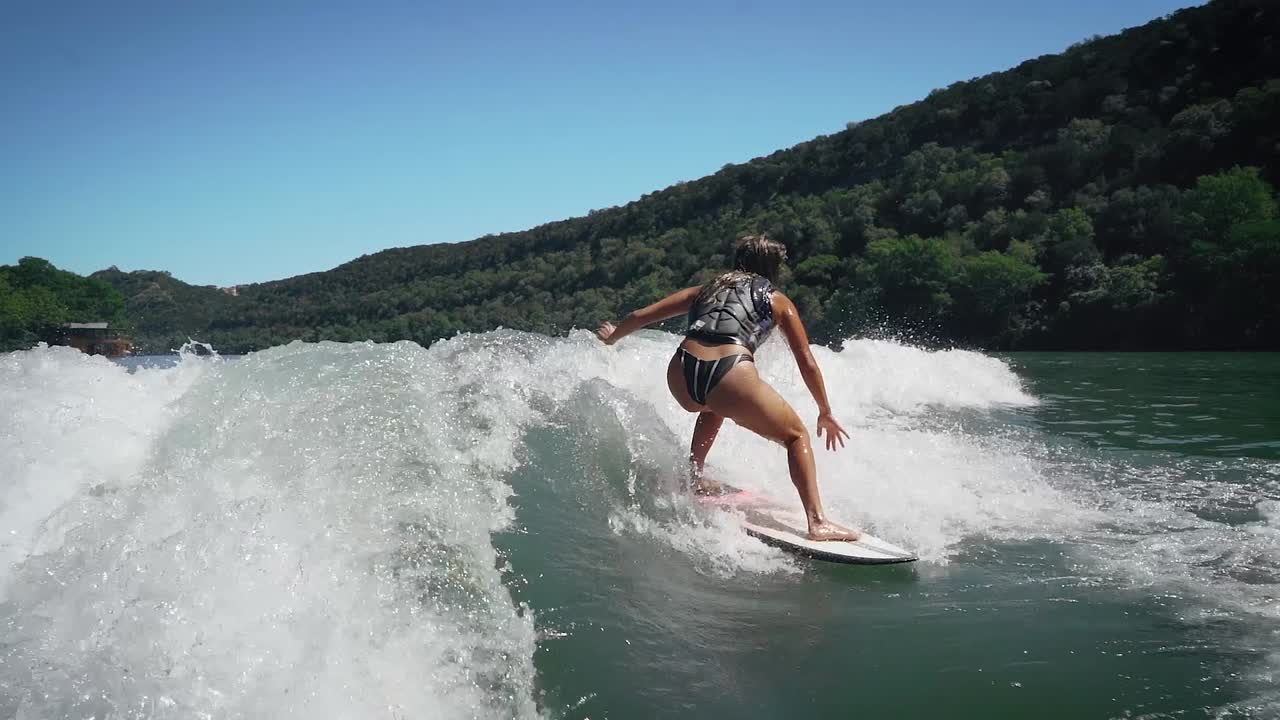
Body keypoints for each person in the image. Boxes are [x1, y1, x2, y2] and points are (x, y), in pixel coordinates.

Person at [596, 234, 861, 542]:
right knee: (795, 435)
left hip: (682, 372)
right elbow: (807, 362)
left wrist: (613, 336)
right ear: (773, 269)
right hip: (730, 371)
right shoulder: (777, 300)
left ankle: (694, 477)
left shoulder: (704, 290)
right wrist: (824, 411)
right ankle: (818, 522)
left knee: (712, 406)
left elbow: (641, 316)